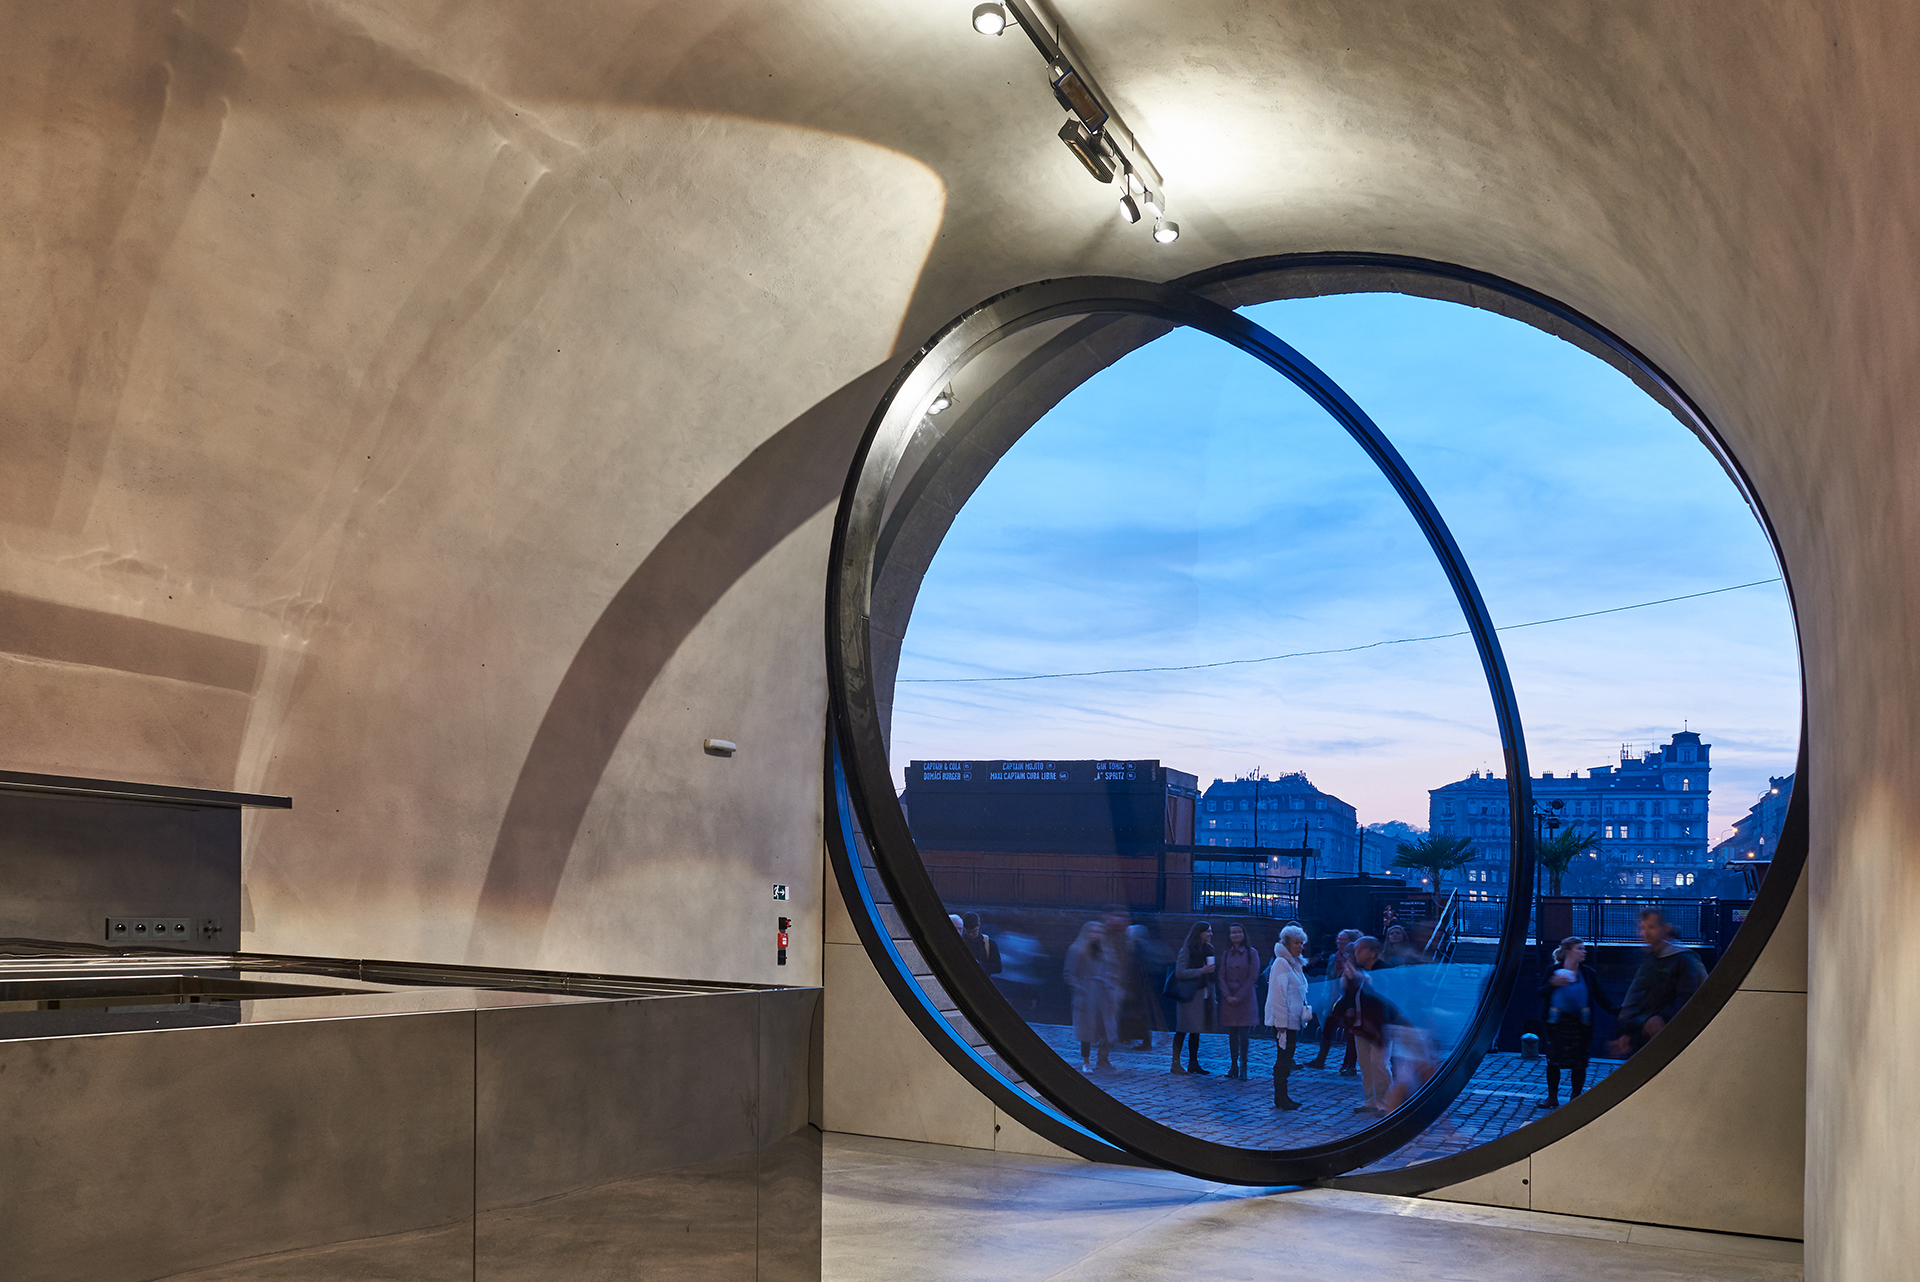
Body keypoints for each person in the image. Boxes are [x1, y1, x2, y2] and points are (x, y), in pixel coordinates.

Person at [1609, 908, 1707, 1056]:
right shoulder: (1650, 959)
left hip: (1674, 1041)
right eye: (1642, 927)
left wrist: (1661, 1018)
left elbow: (1687, 996)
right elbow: (1635, 999)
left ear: (1666, 928)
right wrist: (1626, 1033)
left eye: (1651, 927)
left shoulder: (1683, 959)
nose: (1644, 933)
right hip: (1653, 1039)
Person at [1536, 936, 1615, 1108]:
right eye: (1580, 948)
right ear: (1569, 951)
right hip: (1556, 1024)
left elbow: (1600, 997)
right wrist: (1553, 983)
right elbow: (1540, 992)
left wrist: (1617, 1011)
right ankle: (1552, 1097)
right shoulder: (1553, 970)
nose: (1583, 951)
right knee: (1553, 1061)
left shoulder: (1588, 973)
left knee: (1579, 1062)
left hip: (1580, 1024)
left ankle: (1575, 1097)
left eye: (1583, 948)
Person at [1343, 935, 1396, 1114]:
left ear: (1373, 952)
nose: (1356, 953)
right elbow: (1349, 995)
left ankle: (1386, 1103)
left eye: (1360, 949)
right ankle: (1370, 1101)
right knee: (1365, 1064)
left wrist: (1361, 978)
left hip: (1379, 1025)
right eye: (1355, 949)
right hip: (1360, 1024)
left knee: (1379, 1064)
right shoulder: (1357, 969)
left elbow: (1382, 992)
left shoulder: (1384, 969)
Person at [1264, 924, 1311, 1110]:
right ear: (1287, 943)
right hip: (1284, 1021)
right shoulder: (1281, 963)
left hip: (1293, 1020)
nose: (1300, 946)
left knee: (1287, 1057)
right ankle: (1280, 1097)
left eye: (1301, 943)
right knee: (1283, 1058)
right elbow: (1278, 995)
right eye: (1296, 943)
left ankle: (1284, 1096)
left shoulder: (1295, 963)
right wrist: (1282, 1024)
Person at [1065, 921, 1120, 1070]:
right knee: (1086, 1029)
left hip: (1104, 995)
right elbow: (1069, 973)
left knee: (1106, 1028)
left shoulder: (1107, 951)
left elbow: (1114, 970)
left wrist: (1112, 979)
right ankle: (1086, 1061)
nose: (1096, 935)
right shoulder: (1077, 950)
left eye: (1099, 932)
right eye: (1093, 932)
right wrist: (1080, 987)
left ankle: (1103, 1058)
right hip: (1086, 996)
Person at [1309, 928, 1361, 1076]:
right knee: (1328, 1028)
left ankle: (1349, 1064)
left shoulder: (1357, 963)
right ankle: (1321, 1059)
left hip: (1351, 1002)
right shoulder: (1334, 957)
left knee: (1351, 1033)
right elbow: (1331, 979)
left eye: (1343, 940)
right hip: (1338, 1000)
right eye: (1338, 940)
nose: (1339, 943)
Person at [1169, 921, 1217, 1074]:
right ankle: (1175, 1063)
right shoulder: (1187, 950)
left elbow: (1211, 976)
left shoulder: (1209, 949)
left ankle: (1193, 1063)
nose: (1210, 934)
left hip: (1203, 993)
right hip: (1189, 994)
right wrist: (1201, 970)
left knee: (1197, 1030)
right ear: (1199, 933)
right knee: (1183, 1029)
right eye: (1207, 931)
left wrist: (1212, 994)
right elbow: (1180, 971)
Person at [1216, 922, 1262, 1079]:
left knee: (1243, 1034)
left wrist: (1239, 996)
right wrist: (1227, 995)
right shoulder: (1226, 954)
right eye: (1232, 932)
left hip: (1245, 999)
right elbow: (1221, 975)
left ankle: (1244, 1065)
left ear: (1243, 934)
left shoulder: (1251, 953)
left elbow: (1253, 976)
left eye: (1238, 932)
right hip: (1229, 999)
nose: (1235, 935)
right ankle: (1233, 1065)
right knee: (1232, 1034)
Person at [1121, 923, 1168, 1050]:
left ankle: (1142, 1040)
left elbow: (1135, 968)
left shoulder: (1136, 948)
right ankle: (1135, 1038)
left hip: (1138, 987)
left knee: (1140, 1014)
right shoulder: (1142, 947)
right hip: (1142, 986)